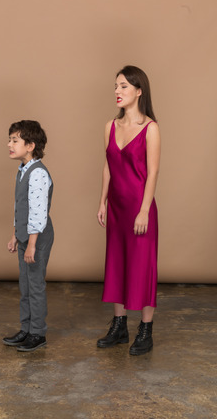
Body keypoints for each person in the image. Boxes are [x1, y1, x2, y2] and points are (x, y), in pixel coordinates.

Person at [97, 65, 161, 355]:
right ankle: (119, 325)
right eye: (115, 86)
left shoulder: (150, 128)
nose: (117, 91)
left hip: (139, 207)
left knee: (142, 266)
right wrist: (102, 201)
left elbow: (153, 172)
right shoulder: (110, 126)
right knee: (117, 262)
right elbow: (108, 166)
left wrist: (145, 210)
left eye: (123, 86)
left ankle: (145, 331)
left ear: (138, 91)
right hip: (117, 208)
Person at [3, 120, 54, 352]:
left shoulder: (38, 174)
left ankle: (37, 333)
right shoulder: (22, 170)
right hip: (25, 235)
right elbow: (21, 206)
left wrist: (32, 244)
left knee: (35, 285)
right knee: (25, 284)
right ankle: (26, 328)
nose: (9, 144)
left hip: (38, 237)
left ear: (31, 145)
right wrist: (16, 235)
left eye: (15, 140)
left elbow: (37, 211)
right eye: (10, 140)